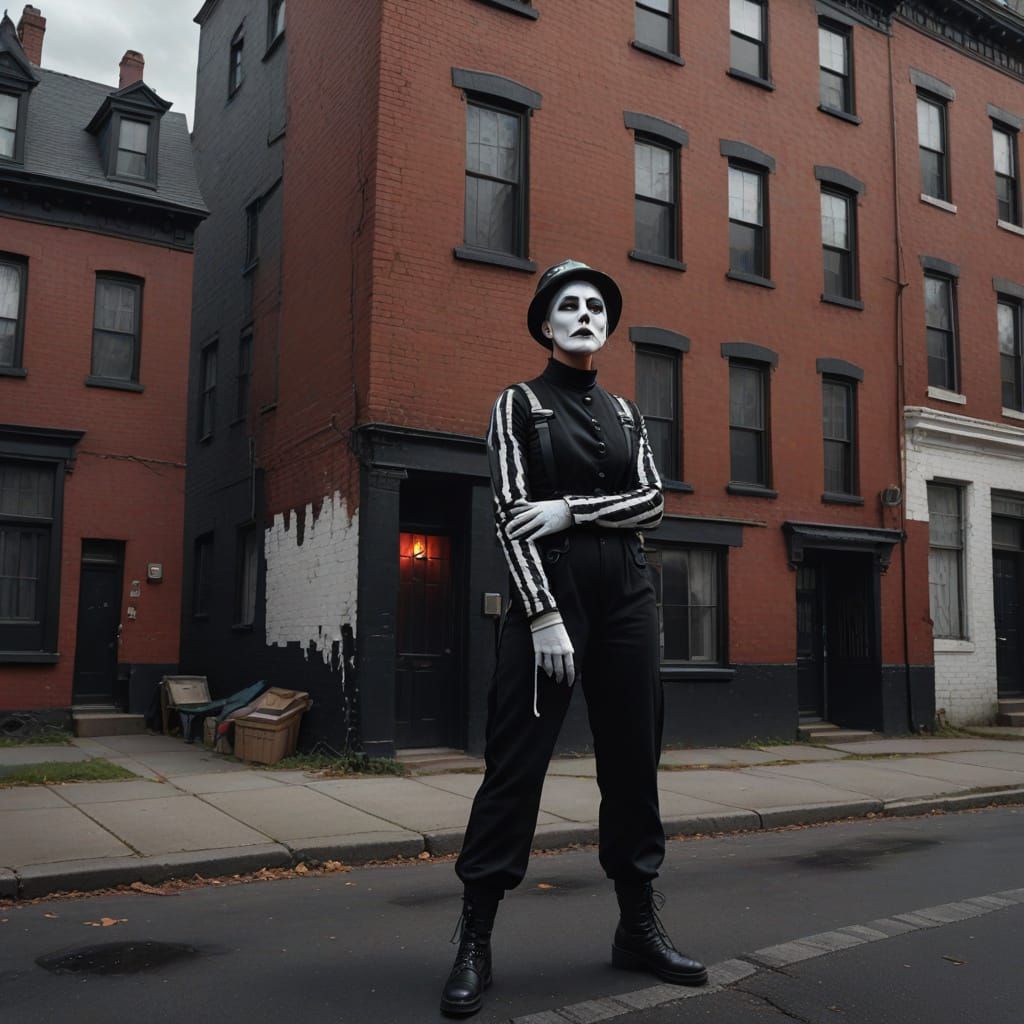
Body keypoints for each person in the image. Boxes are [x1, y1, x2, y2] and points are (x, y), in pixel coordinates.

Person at [440, 260, 707, 1017]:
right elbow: (512, 516)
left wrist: (575, 512)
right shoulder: (517, 406)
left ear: (607, 326)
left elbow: (653, 504)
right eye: (570, 305)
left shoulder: (627, 414)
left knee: (633, 766)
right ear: (546, 324)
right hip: (551, 603)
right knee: (514, 769)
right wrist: (543, 615)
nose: (585, 314)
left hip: (628, 598)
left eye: (597, 306)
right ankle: (474, 938)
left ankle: (637, 928)